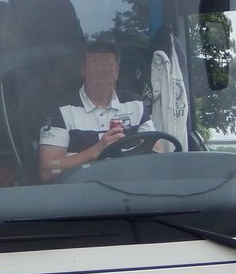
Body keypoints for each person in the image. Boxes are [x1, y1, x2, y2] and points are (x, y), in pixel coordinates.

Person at [38, 41, 157, 182]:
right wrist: (96, 151)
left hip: (131, 191)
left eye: (107, 68)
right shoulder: (62, 111)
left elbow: (157, 151)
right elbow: (49, 170)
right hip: (81, 195)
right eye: (95, 67)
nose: (101, 73)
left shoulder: (135, 104)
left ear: (116, 72)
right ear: (84, 70)